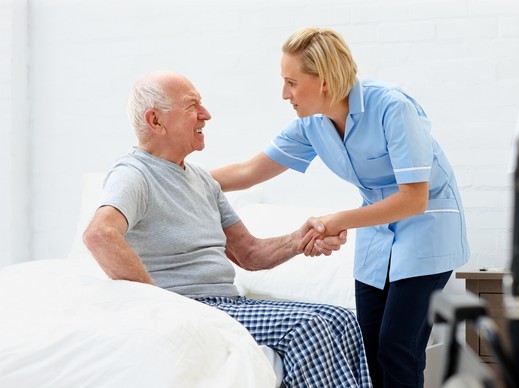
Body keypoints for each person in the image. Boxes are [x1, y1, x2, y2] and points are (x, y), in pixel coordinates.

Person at [211, 27, 470, 388]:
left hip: (426, 229)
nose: (284, 94)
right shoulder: (312, 124)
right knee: (367, 348)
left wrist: (338, 220)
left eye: (291, 82)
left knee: (397, 345)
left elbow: (415, 198)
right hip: (376, 233)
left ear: (325, 81)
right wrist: (176, 174)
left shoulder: (392, 108)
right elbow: (249, 171)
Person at [83, 71, 372, 388]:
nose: (206, 115)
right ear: (155, 120)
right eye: (193, 105)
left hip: (228, 303)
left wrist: (300, 237)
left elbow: (248, 253)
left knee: (343, 319)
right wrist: (160, 305)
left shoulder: (201, 179)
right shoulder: (134, 174)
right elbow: (100, 234)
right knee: (309, 327)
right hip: (192, 306)